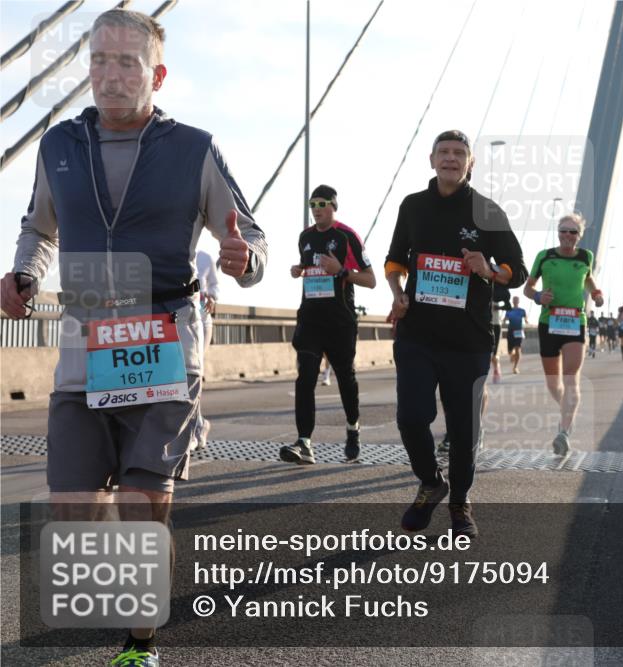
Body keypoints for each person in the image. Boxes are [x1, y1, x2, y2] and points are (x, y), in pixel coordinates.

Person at [0, 9, 267, 667]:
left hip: (166, 346)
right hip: (84, 351)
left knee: (145, 503)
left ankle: (141, 643)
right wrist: (24, 274)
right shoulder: (58, 144)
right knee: (74, 515)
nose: (111, 74)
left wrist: (243, 258)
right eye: (99, 60)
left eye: (128, 62)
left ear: (158, 74)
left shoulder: (195, 149)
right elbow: (40, 229)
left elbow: (252, 238)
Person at [385, 129, 526, 538]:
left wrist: (489, 269)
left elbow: (517, 271)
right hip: (417, 335)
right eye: (443, 152)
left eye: (459, 153)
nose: (450, 159)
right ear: (432, 160)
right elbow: (395, 260)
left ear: (470, 163)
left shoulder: (488, 212)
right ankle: (431, 482)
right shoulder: (412, 206)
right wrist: (397, 292)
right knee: (411, 418)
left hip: (468, 341)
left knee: (464, 432)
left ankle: (461, 503)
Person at [280, 185, 375, 465]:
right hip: (310, 319)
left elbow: (370, 280)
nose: (317, 208)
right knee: (305, 378)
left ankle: (353, 429)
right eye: (313, 203)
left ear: (333, 205)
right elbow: (309, 267)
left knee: (346, 378)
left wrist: (343, 271)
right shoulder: (305, 237)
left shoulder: (347, 236)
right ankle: (304, 443)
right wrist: (299, 270)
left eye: (322, 203)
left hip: (340, 322)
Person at [523, 213, 604, 456]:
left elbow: (588, 280)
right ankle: (568, 412)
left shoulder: (585, 256)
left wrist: (597, 294)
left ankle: (564, 432)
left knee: (571, 378)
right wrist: (538, 297)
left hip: (575, 322)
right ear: (557, 233)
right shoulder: (544, 256)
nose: (567, 236)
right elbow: (528, 287)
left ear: (579, 236)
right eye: (563, 231)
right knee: (553, 383)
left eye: (572, 232)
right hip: (549, 321)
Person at [192, 250, 219, 451]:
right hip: (174, 322)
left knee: (194, 374)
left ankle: (196, 428)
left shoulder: (204, 257)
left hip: (202, 320)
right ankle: (200, 423)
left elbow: (214, 284)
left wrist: (212, 296)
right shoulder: (167, 251)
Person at [503, 295, 528, 374]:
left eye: (516, 300)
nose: (515, 301)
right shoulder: (509, 310)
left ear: (518, 301)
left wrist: (527, 321)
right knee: (510, 351)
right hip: (510, 331)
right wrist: (503, 321)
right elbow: (505, 319)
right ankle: (512, 355)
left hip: (518, 331)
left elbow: (526, 319)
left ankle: (515, 367)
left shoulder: (522, 310)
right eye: (514, 300)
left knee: (518, 348)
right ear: (512, 301)